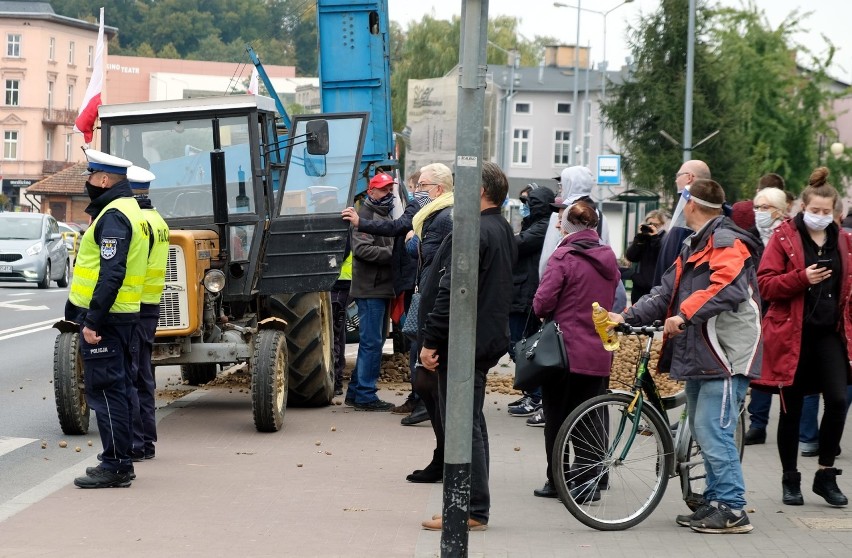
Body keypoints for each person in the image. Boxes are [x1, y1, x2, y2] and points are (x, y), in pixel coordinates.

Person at [609, 178, 762, 534]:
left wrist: (684, 314)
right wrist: (627, 316)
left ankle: (733, 508)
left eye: (682, 201)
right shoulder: (696, 243)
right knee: (703, 428)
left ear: (691, 204)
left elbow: (726, 287)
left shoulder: (726, 241)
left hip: (726, 351)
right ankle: (714, 501)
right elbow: (665, 292)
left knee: (712, 428)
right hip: (703, 349)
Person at [419, 161, 517, 532]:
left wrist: (431, 340)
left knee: (462, 425)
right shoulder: (501, 228)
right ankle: (474, 505)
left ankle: (469, 509)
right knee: (471, 422)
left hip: (464, 343)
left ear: (479, 190)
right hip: (481, 338)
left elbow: (453, 293)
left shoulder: (477, 231)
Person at [755, 167, 852, 508]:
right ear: (803, 209)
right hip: (791, 333)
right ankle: (790, 478)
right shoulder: (784, 237)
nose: (821, 217)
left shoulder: (844, 240)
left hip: (830, 334)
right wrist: (801, 278)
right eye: (815, 211)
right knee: (791, 410)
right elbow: (765, 283)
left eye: (827, 212)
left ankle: (825, 474)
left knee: (839, 400)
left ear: (835, 213)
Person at [67, 150, 148, 489]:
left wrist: (92, 321)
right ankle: (120, 460)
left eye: (90, 177)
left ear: (102, 180)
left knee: (107, 390)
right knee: (122, 387)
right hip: (124, 316)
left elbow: (111, 273)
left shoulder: (113, 216)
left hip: (108, 320)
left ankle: (116, 465)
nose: (87, 183)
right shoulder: (132, 209)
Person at [530, 202, 620, 500]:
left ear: (568, 226)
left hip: (563, 352)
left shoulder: (563, 256)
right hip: (599, 349)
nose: (557, 226)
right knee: (591, 416)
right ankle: (589, 481)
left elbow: (542, 304)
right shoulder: (608, 257)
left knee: (557, 417)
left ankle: (558, 481)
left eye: (560, 221)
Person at [344, 172, 398, 411]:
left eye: (390, 189)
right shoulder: (364, 216)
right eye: (384, 190)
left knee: (373, 341)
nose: (388, 194)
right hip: (371, 289)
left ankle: (356, 392)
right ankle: (365, 395)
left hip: (380, 288)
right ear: (371, 192)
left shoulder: (382, 214)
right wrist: (395, 256)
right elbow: (363, 250)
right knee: (372, 342)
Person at [127, 165, 169, 462]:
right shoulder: (158, 220)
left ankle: (139, 444)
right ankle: (147, 443)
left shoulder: (136, 222)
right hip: (150, 307)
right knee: (144, 376)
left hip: (134, 307)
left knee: (134, 377)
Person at [742, 186, 787, 445]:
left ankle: (794, 422)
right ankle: (757, 424)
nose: (759, 213)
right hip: (756, 309)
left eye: (765, 207)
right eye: (757, 207)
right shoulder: (748, 239)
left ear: (779, 211)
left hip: (783, 309)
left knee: (785, 368)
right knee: (759, 368)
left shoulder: (789, 237)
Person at [507, 183, 556, 419]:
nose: (525, 208)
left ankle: (535, 394)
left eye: (529, 203)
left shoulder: (542, 227)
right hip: (520, 292)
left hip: (525, 294)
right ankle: (532, 392)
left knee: (520, 345)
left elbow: (517, 244)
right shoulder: (536, 225)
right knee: (519, 344)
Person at [652, 159, 712, 286]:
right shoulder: (714, 209)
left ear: (689, 177)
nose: (676, 180)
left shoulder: (688, 206)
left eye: (678, 176)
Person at [624, 209, 668, 304]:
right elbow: (631, 256)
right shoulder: (643, 238)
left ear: (662, 225)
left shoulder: (665, 239)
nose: (652, 227)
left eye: (656, 225)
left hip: (655, 288)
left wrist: (655, 238)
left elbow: (660, 257)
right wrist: (639, 238)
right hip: (639, 288)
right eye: (649, 224)